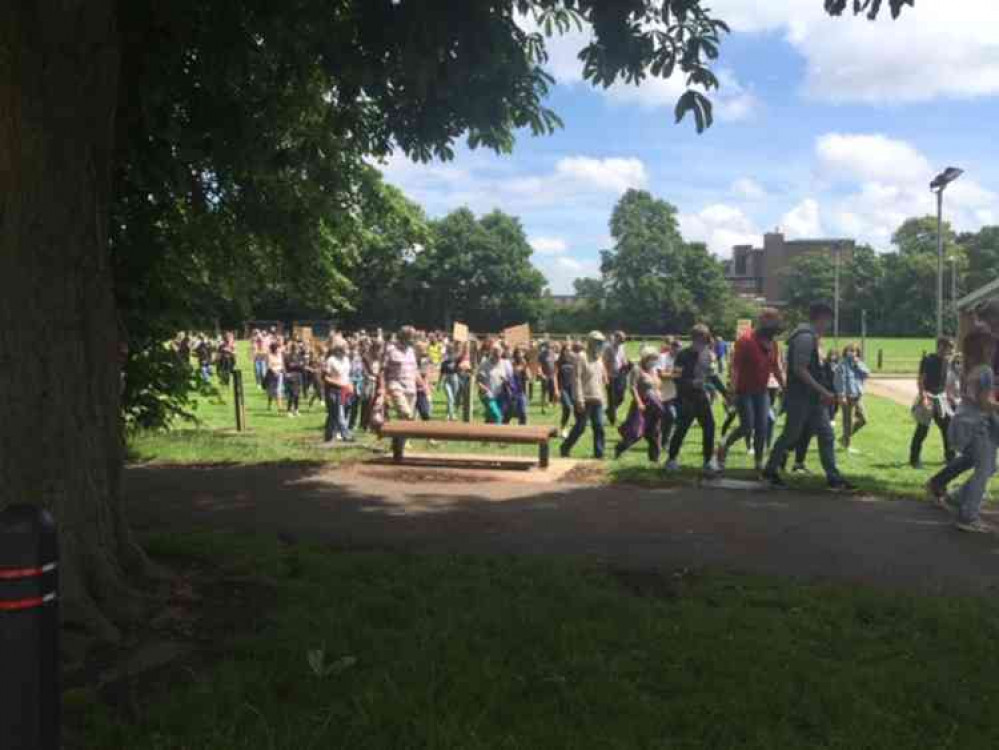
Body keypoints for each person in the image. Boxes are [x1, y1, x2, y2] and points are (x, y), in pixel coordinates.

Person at [763, 303, 853, 491]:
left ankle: (833, 478)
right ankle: (770, 471)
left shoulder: (810, 337)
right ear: (821, 318)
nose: (829, 325)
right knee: (791, 435)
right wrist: (823, 391)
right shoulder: (804, 337)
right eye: (828, 321)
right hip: (801, 397)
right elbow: (800, 369)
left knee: (826, 435)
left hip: (812, 399)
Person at [927, 300, 999, 499]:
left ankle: (944, 487)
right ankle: (962, 499)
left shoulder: (982, 336)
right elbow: (983, 373)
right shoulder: (984, 339)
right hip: (985, 404)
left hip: (984, 402)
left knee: (978, 457)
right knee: (986, 462)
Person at [941, 326, 998, 533]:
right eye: (991, 345)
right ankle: (968, 516)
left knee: (989, 466)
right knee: (984, 470)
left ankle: (957, 498)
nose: (994, 348)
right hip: (977, 427)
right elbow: (984, 403)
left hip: (965, 423)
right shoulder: (986, 371)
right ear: (983, 348)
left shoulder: (969, 369)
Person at [717, 309, 785, 474]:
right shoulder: (745, 340)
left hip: (762, 391)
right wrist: (732, 391)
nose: (777, 326)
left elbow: (776, 367)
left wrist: (785, 385)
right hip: (743, 391)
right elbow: (736, 368)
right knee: (747, 427)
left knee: (762, 426)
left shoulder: (773, 344)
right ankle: (724, 444)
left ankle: (758, 462)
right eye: (774, 321)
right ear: (763, 321)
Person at [665, 324, 728, 475]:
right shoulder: (682, 355)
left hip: (700, 396)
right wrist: (691, 382)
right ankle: (671, 460)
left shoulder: (707, 354)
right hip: (685, 397)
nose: (704, 343)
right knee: (682, 428)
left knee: (710, 426)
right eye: (701, 340)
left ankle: (707, 462)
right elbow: (676, 377)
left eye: (706, 340)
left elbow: (712, 376)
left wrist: (725, 393)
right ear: (694, 339)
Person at [910, 337, 956, 469]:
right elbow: (920, 380)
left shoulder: (947, 362)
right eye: (949, 348)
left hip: (941, 399)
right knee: (922, 430)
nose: (951, 351)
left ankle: (950, 457)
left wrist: (949, 397)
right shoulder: (928, 360)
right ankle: (914, 460)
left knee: (947, 427)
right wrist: (923, 397)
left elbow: (944, 381)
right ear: (941, 346)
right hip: (928, 397)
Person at [561, 331, 608, 459]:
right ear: (591, 342)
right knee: (580, 427)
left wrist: (603, 398)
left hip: (597, 398)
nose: (600, 345)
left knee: (599, 426)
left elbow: (599, 380)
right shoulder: (581, 357)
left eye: (601, 342)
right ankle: (565, 447)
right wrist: (579, 399)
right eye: (598, 342)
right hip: (584, 399)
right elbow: (576, 379)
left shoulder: (599, 358)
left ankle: (599, 454)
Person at [614, 347, 666, 462]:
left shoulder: (653, 370)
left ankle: (654, 460)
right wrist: (639, 402)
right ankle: (619, 448)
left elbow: (657, 385)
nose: (654, 362)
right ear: (645, 358)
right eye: (652, 359)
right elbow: (632, 387)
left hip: (655, 406)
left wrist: (660, 396)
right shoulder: (636, 369)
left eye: (655, 359)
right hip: (642, 406)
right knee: (636, 433)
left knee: (655, 433)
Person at [834, 343, 870, 452]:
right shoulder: (842, 365)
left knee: (864, 420)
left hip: (857, 396)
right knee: (847, 422)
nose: (852, 353)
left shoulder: (859, 363)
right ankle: (847, 445)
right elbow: (840, 381)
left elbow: (867, 374)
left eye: (854, 351)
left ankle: (843, 439)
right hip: (848, 397)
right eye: (850, 350)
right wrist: (842, 395)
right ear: (846, 352)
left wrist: (857, 364)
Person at [380, 326, 419, 421]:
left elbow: (415, 370)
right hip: (396, 386)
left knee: (404, 421)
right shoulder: (391, 350)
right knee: (406, 413)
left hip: (411, 388)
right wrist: (382, 388)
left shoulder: (411, 351)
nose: (413, 340)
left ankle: (398, 436)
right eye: (411, 337)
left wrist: (423, 385)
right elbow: (383, 370)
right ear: (403, 337)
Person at [322, 338, 354, 443]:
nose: (347, 349)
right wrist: (338, 383)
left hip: (346, 389)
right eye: (345, 347)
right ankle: (346, 435)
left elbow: (347, 375)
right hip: (333, 390)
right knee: (339, 413)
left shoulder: (346, 359)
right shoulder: (331, 360)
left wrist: (350, 384)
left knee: (333, 414)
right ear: (339, 349)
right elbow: (325, 377)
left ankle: (328, 436)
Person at [476, 343, 509, 424]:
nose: (497, 357)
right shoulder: (484, 364)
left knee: (490, 418)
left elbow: (508, 379)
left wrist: (505, 380)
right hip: (487, 395)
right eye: (495, 354)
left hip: (499, 395)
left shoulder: (504, 364)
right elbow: (478, 380)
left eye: (499, 354)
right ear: (492, 353)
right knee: (497, 416)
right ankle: (498, 435)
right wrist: (482, 387)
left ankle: (485, 434)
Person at [603, 331, 630, 425]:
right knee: (611, 398)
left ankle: (609, 411)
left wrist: (626, 363)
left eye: (624, 340)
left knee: (621, 397)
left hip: (620, 375)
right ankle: (612, 419)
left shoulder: (622, 347)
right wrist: (605, 377)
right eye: (621, 339)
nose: (623, 341)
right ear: (615, 337)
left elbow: (623, 359)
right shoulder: (608, 348)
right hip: (611, 376)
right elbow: (604, 363)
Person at [556, 343, 577, 439]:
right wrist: (556, 389)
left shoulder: (574, 361)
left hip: (572, 388)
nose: (569, 352)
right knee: (568, 407)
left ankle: (565, 428)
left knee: (567, 411)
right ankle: (564, 428)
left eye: (570, 350)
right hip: (562, 388)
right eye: (567, 350)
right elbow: (554, 376)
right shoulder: (559, 362)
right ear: (563, 351)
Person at [505, 347, 530, 425]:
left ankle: (522, 431)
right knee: (508, 414)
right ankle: (503, 430)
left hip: (521, 392)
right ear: (515, 355)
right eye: (518, 353)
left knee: (523, 413)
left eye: (521, 353)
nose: (520, 355)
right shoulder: (510, 364)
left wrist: (525, 368)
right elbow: (508, 376)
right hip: (511, 393)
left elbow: (529, 377)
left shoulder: (524, 365)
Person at [439, 344, 462, 421]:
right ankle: (450, 415)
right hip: (446, 380)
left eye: (451, 352)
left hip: (455, 378)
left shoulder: (457, 360)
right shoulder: (444, 363)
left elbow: (461, 367)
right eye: (448, 352)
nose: (450, 354)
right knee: (450, 397)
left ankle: (450, 413)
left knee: (452, 398)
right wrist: (439, 383)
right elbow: (441, 374)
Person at [283, 342, 305, 417]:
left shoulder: (300, 356)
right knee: (292, 394)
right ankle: (289, 411)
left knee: (297, 394)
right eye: (295, 348)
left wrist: (297, 365)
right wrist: (298, 365)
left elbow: (303, 365)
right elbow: (290, 365)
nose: (296, 349)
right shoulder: (288, 356)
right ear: (292, 348)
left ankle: (296, 409)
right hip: (291, 376)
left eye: (297, 348)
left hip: (299, 376)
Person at [264, 340, 285, 411]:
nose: (278, 350)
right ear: (273, 349)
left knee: (278, 390)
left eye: (278, 348)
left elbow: (282, 364)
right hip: (271, 375)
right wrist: (274, 372)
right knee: (271, 392)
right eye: (277, 349)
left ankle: (280, 407)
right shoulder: (269, 355)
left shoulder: (280, 355)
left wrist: (281, 371)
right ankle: (269, 404)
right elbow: (269, 366)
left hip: (280, 374)